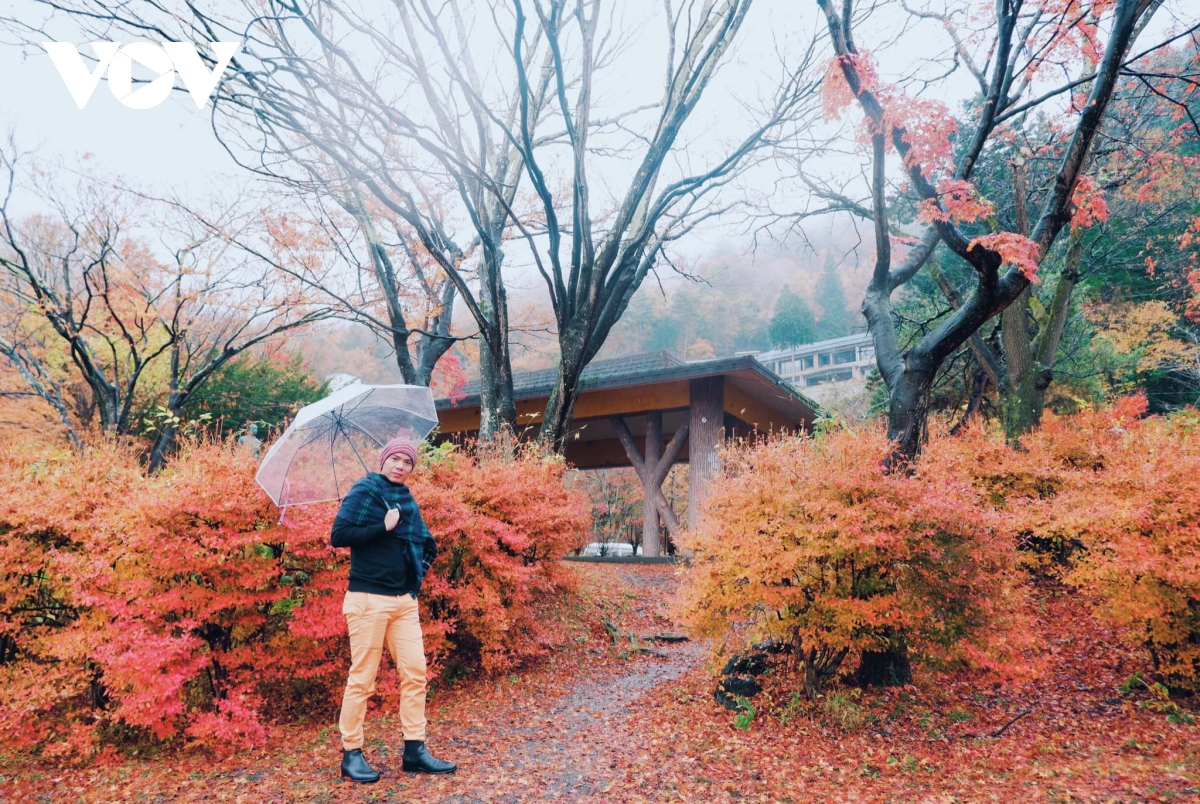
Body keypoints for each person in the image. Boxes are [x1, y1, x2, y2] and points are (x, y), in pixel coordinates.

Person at [330, 435, 456, 783]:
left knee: (415, 673)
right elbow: (338, 535)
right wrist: (381, 526)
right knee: (363, 679)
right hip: (368, 599)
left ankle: (414, 750)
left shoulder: (404, 498)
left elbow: (419, 541)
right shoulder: (365, 489)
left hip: (404, 601)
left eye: (408, 462)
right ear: (383, 460)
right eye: (396, 459)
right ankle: (351, 754)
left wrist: (396, 523)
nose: (401, 466)